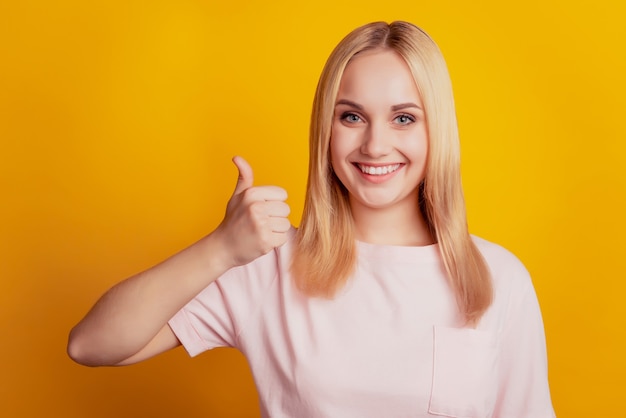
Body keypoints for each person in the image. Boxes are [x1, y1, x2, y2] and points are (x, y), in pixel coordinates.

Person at [68, 21, 556, 417]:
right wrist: (220, 249)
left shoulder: (499, 278)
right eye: (351, 116)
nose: (375, 145)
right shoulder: (266, 267)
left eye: (404, 118)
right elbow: (91, 345)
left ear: (437, 132)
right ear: (326, 128)